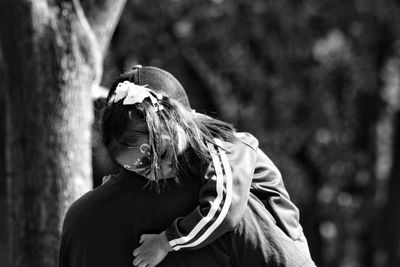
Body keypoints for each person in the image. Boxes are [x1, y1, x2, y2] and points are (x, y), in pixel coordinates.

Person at [60, 65, 315, 267]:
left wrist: (166, 241)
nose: (157, 171)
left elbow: (223, 211)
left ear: (181, 121)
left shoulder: (224, 147)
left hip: (278, 238)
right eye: (140, 169)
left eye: (161, 153)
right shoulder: (164, 150)